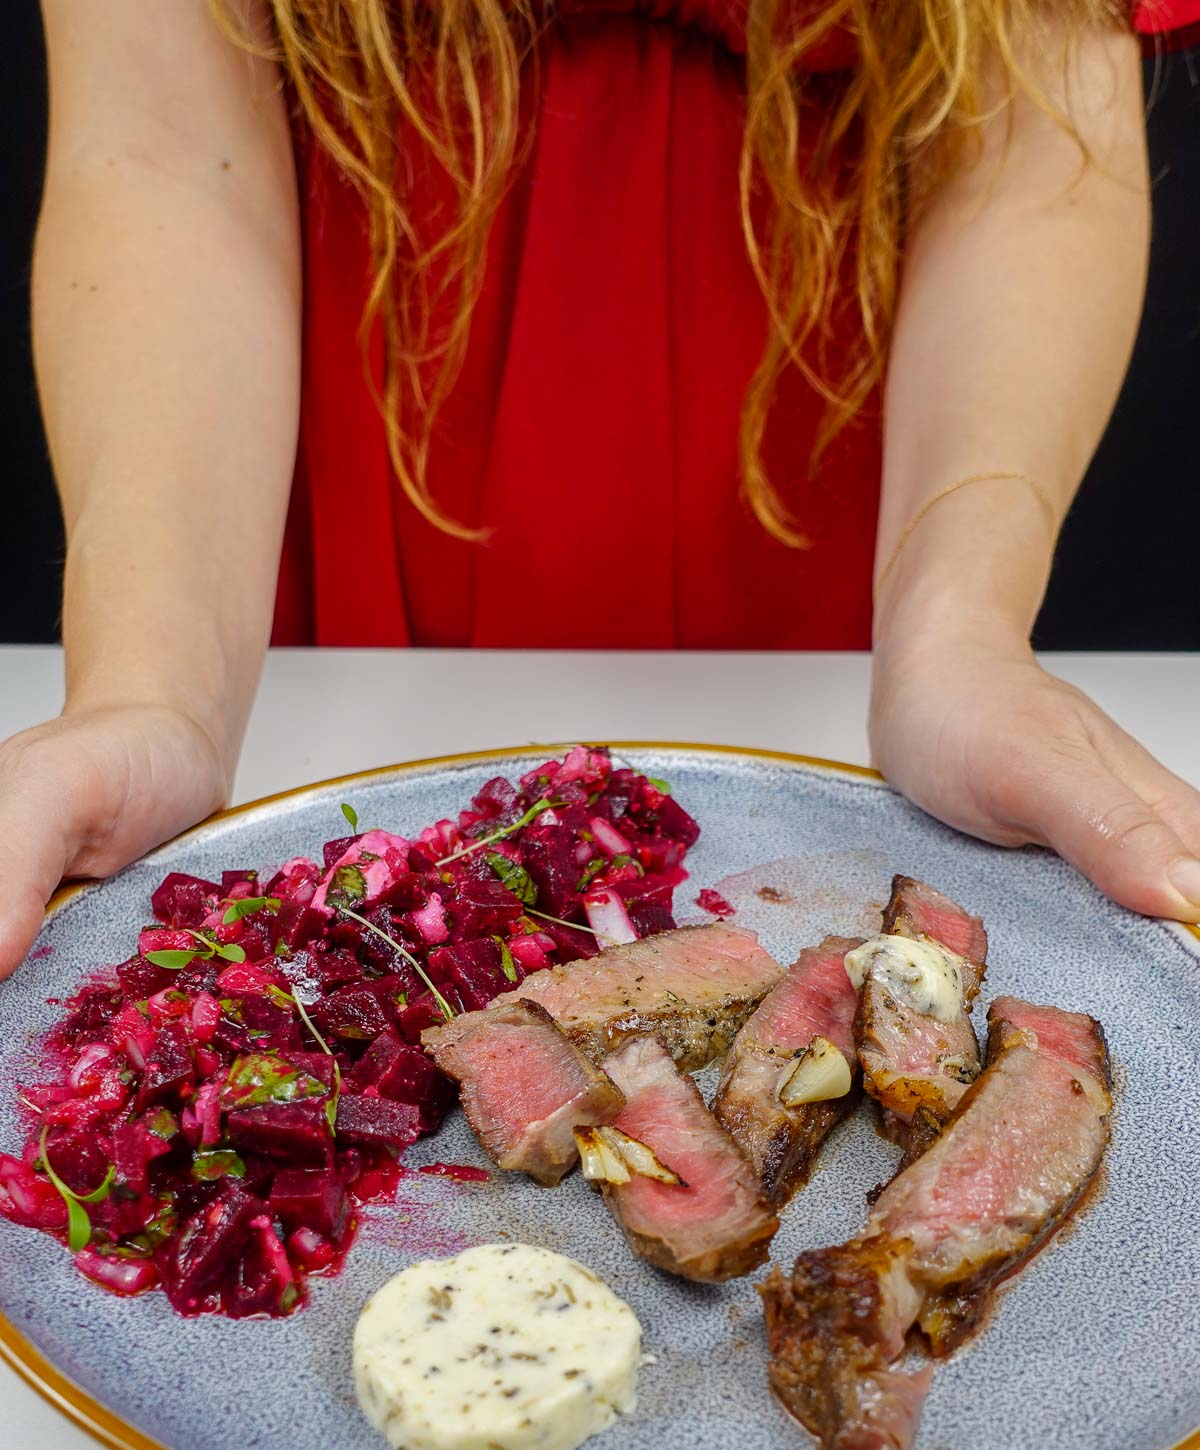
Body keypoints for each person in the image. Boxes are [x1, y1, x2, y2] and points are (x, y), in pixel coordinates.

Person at [2, 0, 1198, 979]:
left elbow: (1029, 140)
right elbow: (165, 159)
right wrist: (153, 693)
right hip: (355, 376)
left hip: (824, 429)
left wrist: (961, 635)